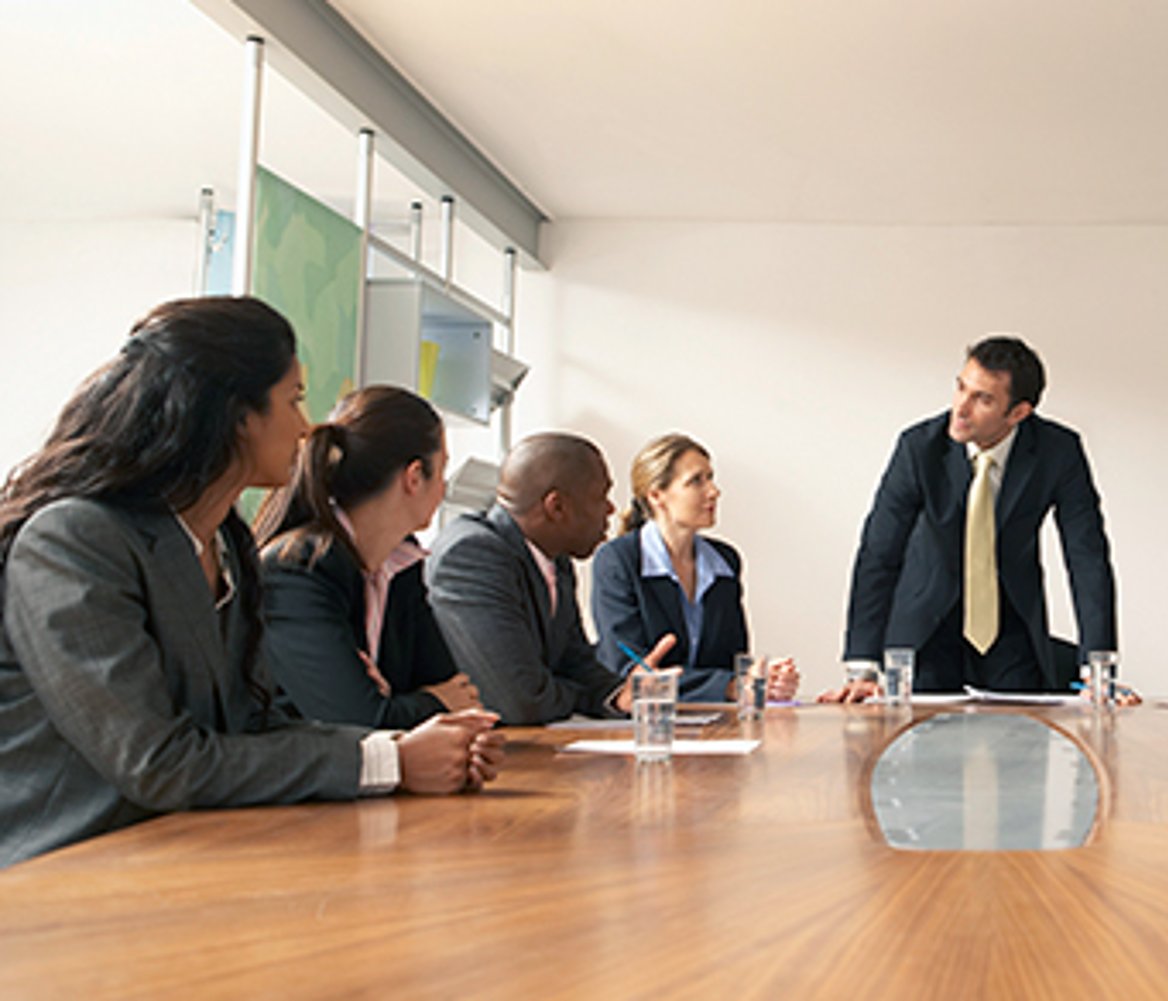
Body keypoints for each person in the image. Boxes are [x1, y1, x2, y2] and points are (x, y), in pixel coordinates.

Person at [0, 297, 502, 868]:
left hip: (189, 852)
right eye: (293, 400)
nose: (306, 427)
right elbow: (157, 764)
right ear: (238, 414)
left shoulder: (226, 544)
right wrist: (392, 762)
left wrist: (405, 749)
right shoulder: (74, 540)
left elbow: (254, 725)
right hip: (64, 874)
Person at [827, 336, 1117, 699]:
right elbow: (880, 554)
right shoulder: (919, 448)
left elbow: (1087, 557)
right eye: (961, 388)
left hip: (1009, 629)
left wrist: (1098, 671)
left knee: (1020, 731)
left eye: (983, 399)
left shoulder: (1057, 451)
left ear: (1018, 413)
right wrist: (862, 666)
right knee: (920, 733)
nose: (961, 408)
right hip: (925, 630)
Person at [255, 385, 482, 729]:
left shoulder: (401, 563)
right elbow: (357, 721)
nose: (444, 488)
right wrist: (432, 702)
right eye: (442, 470)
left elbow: (461, 699)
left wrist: (401, 705)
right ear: (414, 477)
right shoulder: (298, 568)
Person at [427, 432, 672, 724]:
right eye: (600, 497)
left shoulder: (555, 557)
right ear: (556, 507)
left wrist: (620, 694)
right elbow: (520, 700)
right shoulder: (472, 554)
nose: (610, 509)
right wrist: (579, 696)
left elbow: (574, 662)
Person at [590, 433, 798, 703]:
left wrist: (763, 680)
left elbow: (733, 662)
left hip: (713, 718)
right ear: (656, 495)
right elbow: (627, 668)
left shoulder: (724, 561)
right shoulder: (618, 560)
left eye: (710, 478)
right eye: (696, 481)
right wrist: (730, 686)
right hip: (644, 719)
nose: (714, 491)